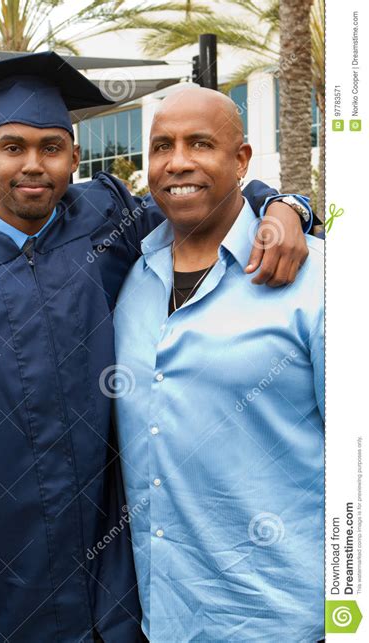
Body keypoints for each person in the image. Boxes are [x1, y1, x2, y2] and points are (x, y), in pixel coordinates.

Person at [0, 52, 313, 643]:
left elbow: (203, 196)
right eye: (13, 147)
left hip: (116, 556)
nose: (33, 166)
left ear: (73, 156)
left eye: (52, 147)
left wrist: (284, 205)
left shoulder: (109, 222)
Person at [114, 87, 324, 642]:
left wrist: (290, 205)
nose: (178, 161)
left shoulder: (320, 282)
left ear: (242, 160)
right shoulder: (128, 277)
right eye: (162, 146)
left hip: (288, 620)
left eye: (200, 143)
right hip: (165, 618)